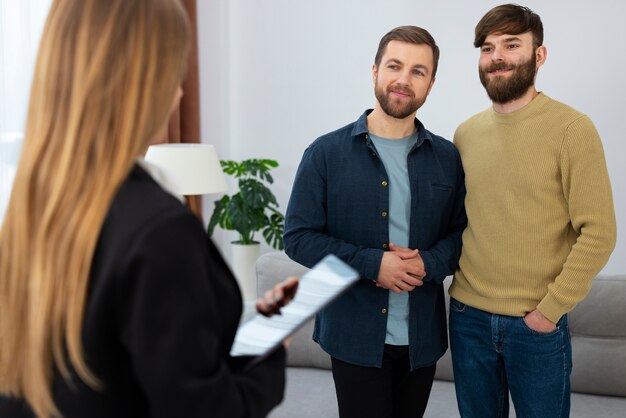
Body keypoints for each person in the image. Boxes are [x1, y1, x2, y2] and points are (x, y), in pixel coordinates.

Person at [0, 1, 296, 417]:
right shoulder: (159, 234)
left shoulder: (29, 210)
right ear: (140, 82)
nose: (178, 93)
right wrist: (271, 345)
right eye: (173, 72)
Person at [284, 26, 467, 418]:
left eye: (418, 71)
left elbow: (460, 234)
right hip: (353, 336)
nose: (404, 79)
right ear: (375, 71)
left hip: (421, 339)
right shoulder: (325, 153)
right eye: (395, 66)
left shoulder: (448, 158)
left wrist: (428, 264)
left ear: (431, 84)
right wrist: (373, 264)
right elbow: (298, 238)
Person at [449, 4, 617, 417]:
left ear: (538, 56)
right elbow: (459, 222)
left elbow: (599, 232)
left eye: (511, 45)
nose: (497, 57)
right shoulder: (465, 134)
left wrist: (549, 311)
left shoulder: (573, 130)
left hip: (535, 323)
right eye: (487, 48)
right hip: (467, 318)